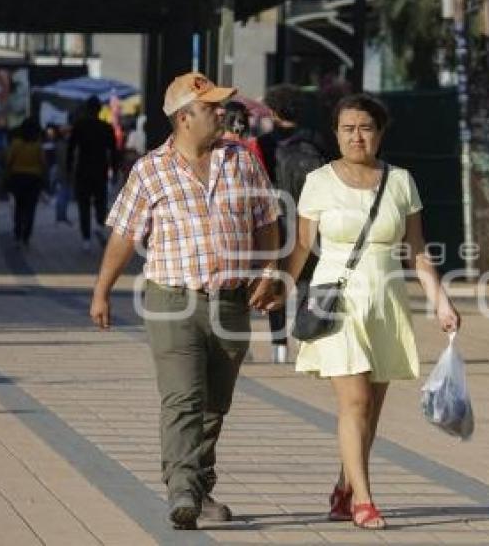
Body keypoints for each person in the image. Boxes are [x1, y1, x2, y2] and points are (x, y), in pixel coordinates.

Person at [89, 72, 281, 530]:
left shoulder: (241, 160)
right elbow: (124, 234)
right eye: (210, 106)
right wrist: (102, 290)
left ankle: (198, 486)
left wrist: (271, 272)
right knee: (183, 399)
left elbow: (266, 220)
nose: (221, 112)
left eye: (220, 105)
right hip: (173, 301)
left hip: (231, 302)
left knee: (215, 403)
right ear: (182, 117)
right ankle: (181, 492)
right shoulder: (150, 170)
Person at [276, 93, 459, 529]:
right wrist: (278, 285)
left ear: (379, 132)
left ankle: (344, 485)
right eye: (347, 128)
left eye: (365, 128)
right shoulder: (319, 180)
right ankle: (364, 500)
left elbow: (416, 250)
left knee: (370, 410)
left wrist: (440, 300)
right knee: (354, 400)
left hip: (386, 298)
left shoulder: (400, 181)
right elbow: (303, 245)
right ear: (335, 133)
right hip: (337, 299)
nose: (357, 136)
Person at [257, 84, 327, 363]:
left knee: (276, 282)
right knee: (307, 281)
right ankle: (304, 337)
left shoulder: (263, 144)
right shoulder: (315, 141)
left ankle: (279, 346)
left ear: (272, 110)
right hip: (310, 220)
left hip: (276, 221)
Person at [68, 95, 117, 252]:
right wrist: (115, 170)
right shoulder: (106, 127)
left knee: (84, 205)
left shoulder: (79, 126)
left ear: (87, 109)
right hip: (100, 170)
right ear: (99, 110)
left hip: (82, 170)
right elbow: (114, 152)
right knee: (100, 202)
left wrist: (69, 168)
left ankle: (86, 239)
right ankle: (99, 225)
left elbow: (71, 149)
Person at [4, 117, 46, 247]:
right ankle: (26, 234)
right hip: (34, 179)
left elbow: (9, 161)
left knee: (19, 206)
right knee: (31, 207)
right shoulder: (37, 145)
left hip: (17, 178)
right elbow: (43, 163)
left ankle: (17, 232)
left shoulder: (16, 143)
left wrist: (7, 175)